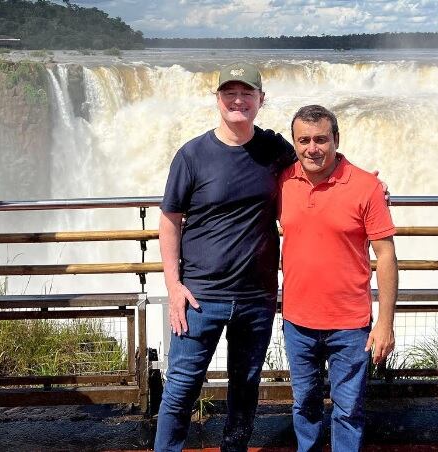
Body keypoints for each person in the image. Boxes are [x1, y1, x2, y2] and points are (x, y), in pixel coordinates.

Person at [156, 62, 296, 451]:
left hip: (257, 298)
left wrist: (368, 182)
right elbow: (170, 221)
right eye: (230, 94)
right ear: (217, 99)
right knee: (182, 386)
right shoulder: (192, 155)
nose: (238, 101)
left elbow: (319, 161)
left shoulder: (274, 150)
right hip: (200, 297)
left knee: (245, 387)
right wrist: (174, 286)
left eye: (247, 94)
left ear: (260, 100)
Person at [279, 105, 398, 452]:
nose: (312, 148)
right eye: (304, 140)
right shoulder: (282, 183)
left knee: (348, 411)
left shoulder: (366, 187)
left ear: (336, 140)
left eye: (321, 139)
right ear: (294, 142)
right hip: (297, 321)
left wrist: (386, 323)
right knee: (305, 406)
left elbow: (386, 256)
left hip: (350, 324)